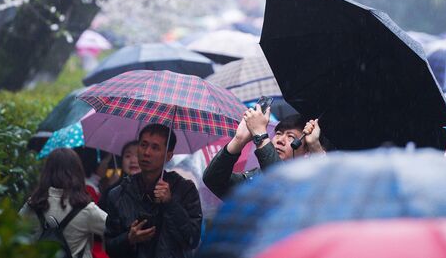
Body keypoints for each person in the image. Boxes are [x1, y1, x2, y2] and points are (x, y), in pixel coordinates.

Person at [102, 124, 202, 258]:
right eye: (143, 145)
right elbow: (109, 247)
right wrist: (129, 239)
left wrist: (170, 203)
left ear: (168, 155)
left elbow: (192, 240)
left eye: (155, 147)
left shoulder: (185, 190)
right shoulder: (119, 193)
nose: (147, 152)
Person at [202, 105, 324, 199]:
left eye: (290, 136)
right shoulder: (256, 178)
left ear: (306, 150)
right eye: (278, 134)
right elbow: (213, 180)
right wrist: (238, 140)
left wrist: (260, 134)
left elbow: (280, 183)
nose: (280, 140)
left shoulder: (311, 182)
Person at [20, 148, 108, 258]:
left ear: (46, 172)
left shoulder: (32, 204)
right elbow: (113, 229)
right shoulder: (87, 209)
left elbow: (13, 233)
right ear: (77, 172)